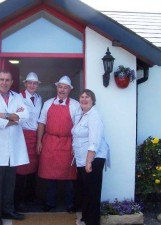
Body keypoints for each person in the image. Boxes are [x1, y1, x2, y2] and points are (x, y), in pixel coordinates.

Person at [0, 70, 29, 225]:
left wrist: (5, 115)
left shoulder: (17, 97)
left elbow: (26, 115)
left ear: (11, 82)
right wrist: (14, 118)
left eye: (7, 80)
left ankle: (9, 209)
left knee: (10, 182)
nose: (4, 82)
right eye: (1, 79)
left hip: (13, 148)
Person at [37, 75, 80, 213]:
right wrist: (39, 141)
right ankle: (50, 203)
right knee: (49, 176)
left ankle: (70, 204)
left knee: (69, 176)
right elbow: (42, 123)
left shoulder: (75, 105)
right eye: (60, 87)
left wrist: (75, 146)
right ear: (57, 88)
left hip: (68, 143)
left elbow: (78, 127)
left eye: (65, 87)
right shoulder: (48, 103)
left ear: (69, 90)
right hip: (49, 142)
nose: (62, 90)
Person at [71, 89, 110, 225]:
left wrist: (89, 162)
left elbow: (94, 141)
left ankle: (93, 221)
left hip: (94, 159)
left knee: (92, 193)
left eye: (87, 97)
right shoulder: (83, 114)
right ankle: (86, 218)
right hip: (83, 159)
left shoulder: (94, 115)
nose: (83, 99)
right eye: (81, 97)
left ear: (93, 100)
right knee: (86, 191)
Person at [15, 72, 42, 212]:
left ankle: (30, 196)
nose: (32, 85)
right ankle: (19, 200)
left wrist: (39, 140)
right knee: (21, 168)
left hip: (34, 135)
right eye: (29, 83)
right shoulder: (17, 97)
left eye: (35, 83)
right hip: (21, 135)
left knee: (33, 168)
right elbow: (14, 115)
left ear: (37, 85)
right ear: (25, 84)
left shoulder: (39, 98)